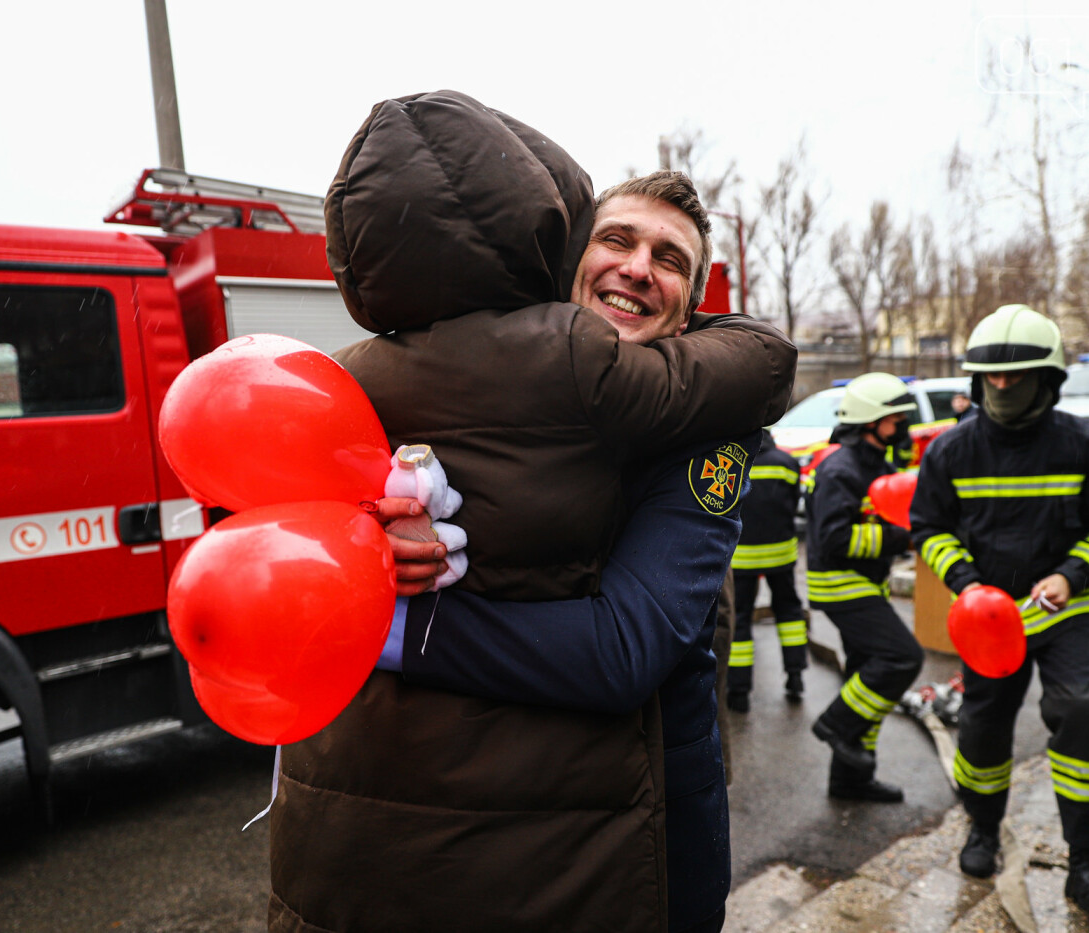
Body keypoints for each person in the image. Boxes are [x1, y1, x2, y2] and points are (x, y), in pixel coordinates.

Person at [268, 91, 796, 933]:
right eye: (616, 240)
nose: (638, 267)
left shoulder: (703, 435)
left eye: (670, 259)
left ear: (690, 310)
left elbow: (624, 649)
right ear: (563, 258)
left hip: (653, 834)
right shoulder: (427, 386)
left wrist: (390, 627)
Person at [909, 304, 1089, 920]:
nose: (1002, 386)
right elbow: (928, 526)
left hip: (1070, 610)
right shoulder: (950, 451)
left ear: (1048, 378)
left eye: (1015, 376)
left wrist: (1072, 575)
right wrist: (967, 586)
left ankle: (1085, 864)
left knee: (1083, 713)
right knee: (983, 727)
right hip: (990, 618)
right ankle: (983, 828)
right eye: (992, 376)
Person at [805, 372, 925, 803]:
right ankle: (835, 724)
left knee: (864, 678)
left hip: (867, 583)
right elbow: (834, 539)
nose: (903, 427)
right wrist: (899, 539)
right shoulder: (841, 469)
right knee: (901, 657)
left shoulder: (878, 466)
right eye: (896, 419)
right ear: (871, 421)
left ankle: (851, 779)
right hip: (840, 584)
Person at [727, 430, 807, 710]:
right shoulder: (787, 462)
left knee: (739, 619)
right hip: (780, 555)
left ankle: (738, 693)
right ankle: (795, 676)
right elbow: (794, 504)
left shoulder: (731, 462)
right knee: (789, 612)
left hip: (742, 558)